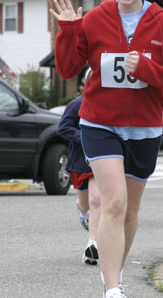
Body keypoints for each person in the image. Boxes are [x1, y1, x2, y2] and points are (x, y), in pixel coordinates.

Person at [50, 0, 163, 298]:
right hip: (100, 124)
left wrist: (145, 69)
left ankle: (115, 273)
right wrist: (68, 30)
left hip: (144, 129)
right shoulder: (96, 19)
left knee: (129, 211)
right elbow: (67, 70)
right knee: (114, 203)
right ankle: (112, 289)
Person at [57, 78, 101, 265]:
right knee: (85, 204)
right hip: (80, 161)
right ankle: (82, 212)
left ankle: (93, 244)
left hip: (100, 160)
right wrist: (85, 137)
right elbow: (63, 128)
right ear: (85, 84)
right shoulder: (76, 105)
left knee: (96, 199)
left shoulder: (108, 106)